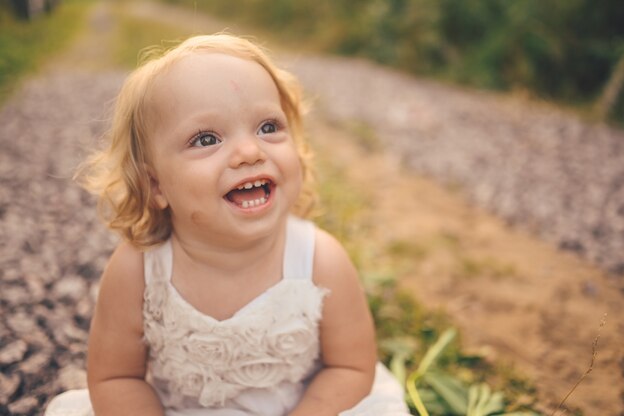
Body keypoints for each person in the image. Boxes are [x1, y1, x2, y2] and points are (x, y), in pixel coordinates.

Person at [44, 33, 410, 416]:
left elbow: (350, 367)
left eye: (268, 127)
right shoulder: (139, 268)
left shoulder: (320, 260)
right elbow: (117, 378)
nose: (250, 152)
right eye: (206, 138)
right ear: (156, 185)